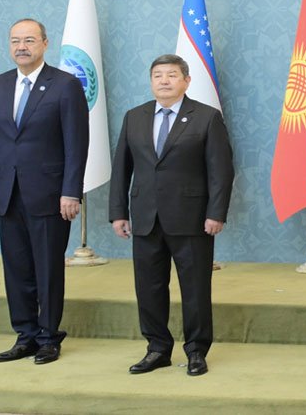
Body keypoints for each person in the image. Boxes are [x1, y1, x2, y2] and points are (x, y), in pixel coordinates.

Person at [109, 54, 233, 376]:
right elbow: (121, 168)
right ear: (151, 81)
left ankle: (196, 351)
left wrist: (215, 212)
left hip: (192, 219)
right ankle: (157, 349)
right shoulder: (134, 117)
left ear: (186, 81)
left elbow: (221, 171)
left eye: (172, 75)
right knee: (148, 288)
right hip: (145, 218)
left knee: (194, 289)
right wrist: (118, 212)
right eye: (158, 75)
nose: (164, 81)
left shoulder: (206, 118)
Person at [0, 18, 87, 365]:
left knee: (48, 267)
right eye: (15, 41)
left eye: (28, 40)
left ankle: (49, 336)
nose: (21, 47)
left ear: (44, 43)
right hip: (7, 192)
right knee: (17, 268)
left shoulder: (65, 85)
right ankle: (25, 335)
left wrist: (71, 191)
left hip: (51, 194)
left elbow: (76, 144)